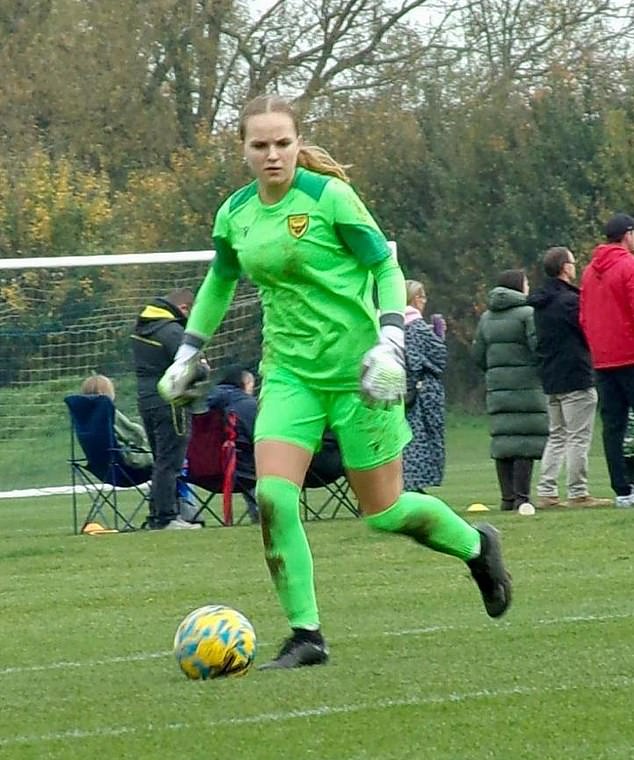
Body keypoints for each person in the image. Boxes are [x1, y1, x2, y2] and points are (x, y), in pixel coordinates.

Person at [158, 93, 511, 669]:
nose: (272, 154)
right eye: (259, 145)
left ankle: (477, 547)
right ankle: (307, 636)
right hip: (289, 375)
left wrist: (390, 340)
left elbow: (384, 265)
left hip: (361, 374)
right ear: (243, 149)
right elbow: (220, 279)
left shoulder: (331, 197)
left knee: (385, 512)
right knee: (273, 496)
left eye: (282, 143)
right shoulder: (235, 214)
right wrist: (188, 351)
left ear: (298, 142)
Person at [527, 247, 609, 509]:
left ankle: (547, 491)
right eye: (572, 262)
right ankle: (578, 491)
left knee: (557, 435)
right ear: (565, 267)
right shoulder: (570, 301)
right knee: (578, 436)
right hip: (575, 373)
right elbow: (588, 330)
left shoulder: (541, 303)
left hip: (551, 375)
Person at [472, 269, 549, 511]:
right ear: (519, 286)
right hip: (527, 386)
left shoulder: (486, 317)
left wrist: (495, 371)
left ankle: (507, 498)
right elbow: (537, 346)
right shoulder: (528, 313)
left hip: (497, 387)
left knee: (503, 441)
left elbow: (477, 354)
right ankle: (522, 497)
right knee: (524, 442)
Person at [131, 287, 203, 530]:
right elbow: (192, 367)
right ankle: (166, 517)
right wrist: (203, 368)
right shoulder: (172, 331)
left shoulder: (140, 328)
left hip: (147, 400)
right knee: (170, 462)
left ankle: (157, 516)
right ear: (183, 308)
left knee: (160, 460)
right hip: (171, 401)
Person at [579, 213, 634, 506]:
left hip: (603, 359)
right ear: (627, 234)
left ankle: (622, 490)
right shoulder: (629, 265)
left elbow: (584, 316)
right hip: (630, 354)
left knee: (613, 426)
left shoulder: (589, 272)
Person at [402, 279, 447, 492]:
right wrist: (438, 338)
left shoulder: (393, 325)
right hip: (422, 392)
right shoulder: (417, 326)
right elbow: (437, 358)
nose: (424, 301)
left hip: (402, 391)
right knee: (421, 440)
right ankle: (415, 485)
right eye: (421, 296)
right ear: (412, 299)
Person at [207, 365, 258, 522]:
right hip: (242, 470)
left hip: (204, 470)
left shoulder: (202, 405)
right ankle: (262, 512)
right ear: (244, 384)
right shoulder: (248, 406)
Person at [79, 374, 153, 469]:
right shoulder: (109, 413)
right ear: (105, 393)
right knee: (166, 456)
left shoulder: (86, 416)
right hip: (129, 461)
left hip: (100, 464)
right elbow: (133, 433)